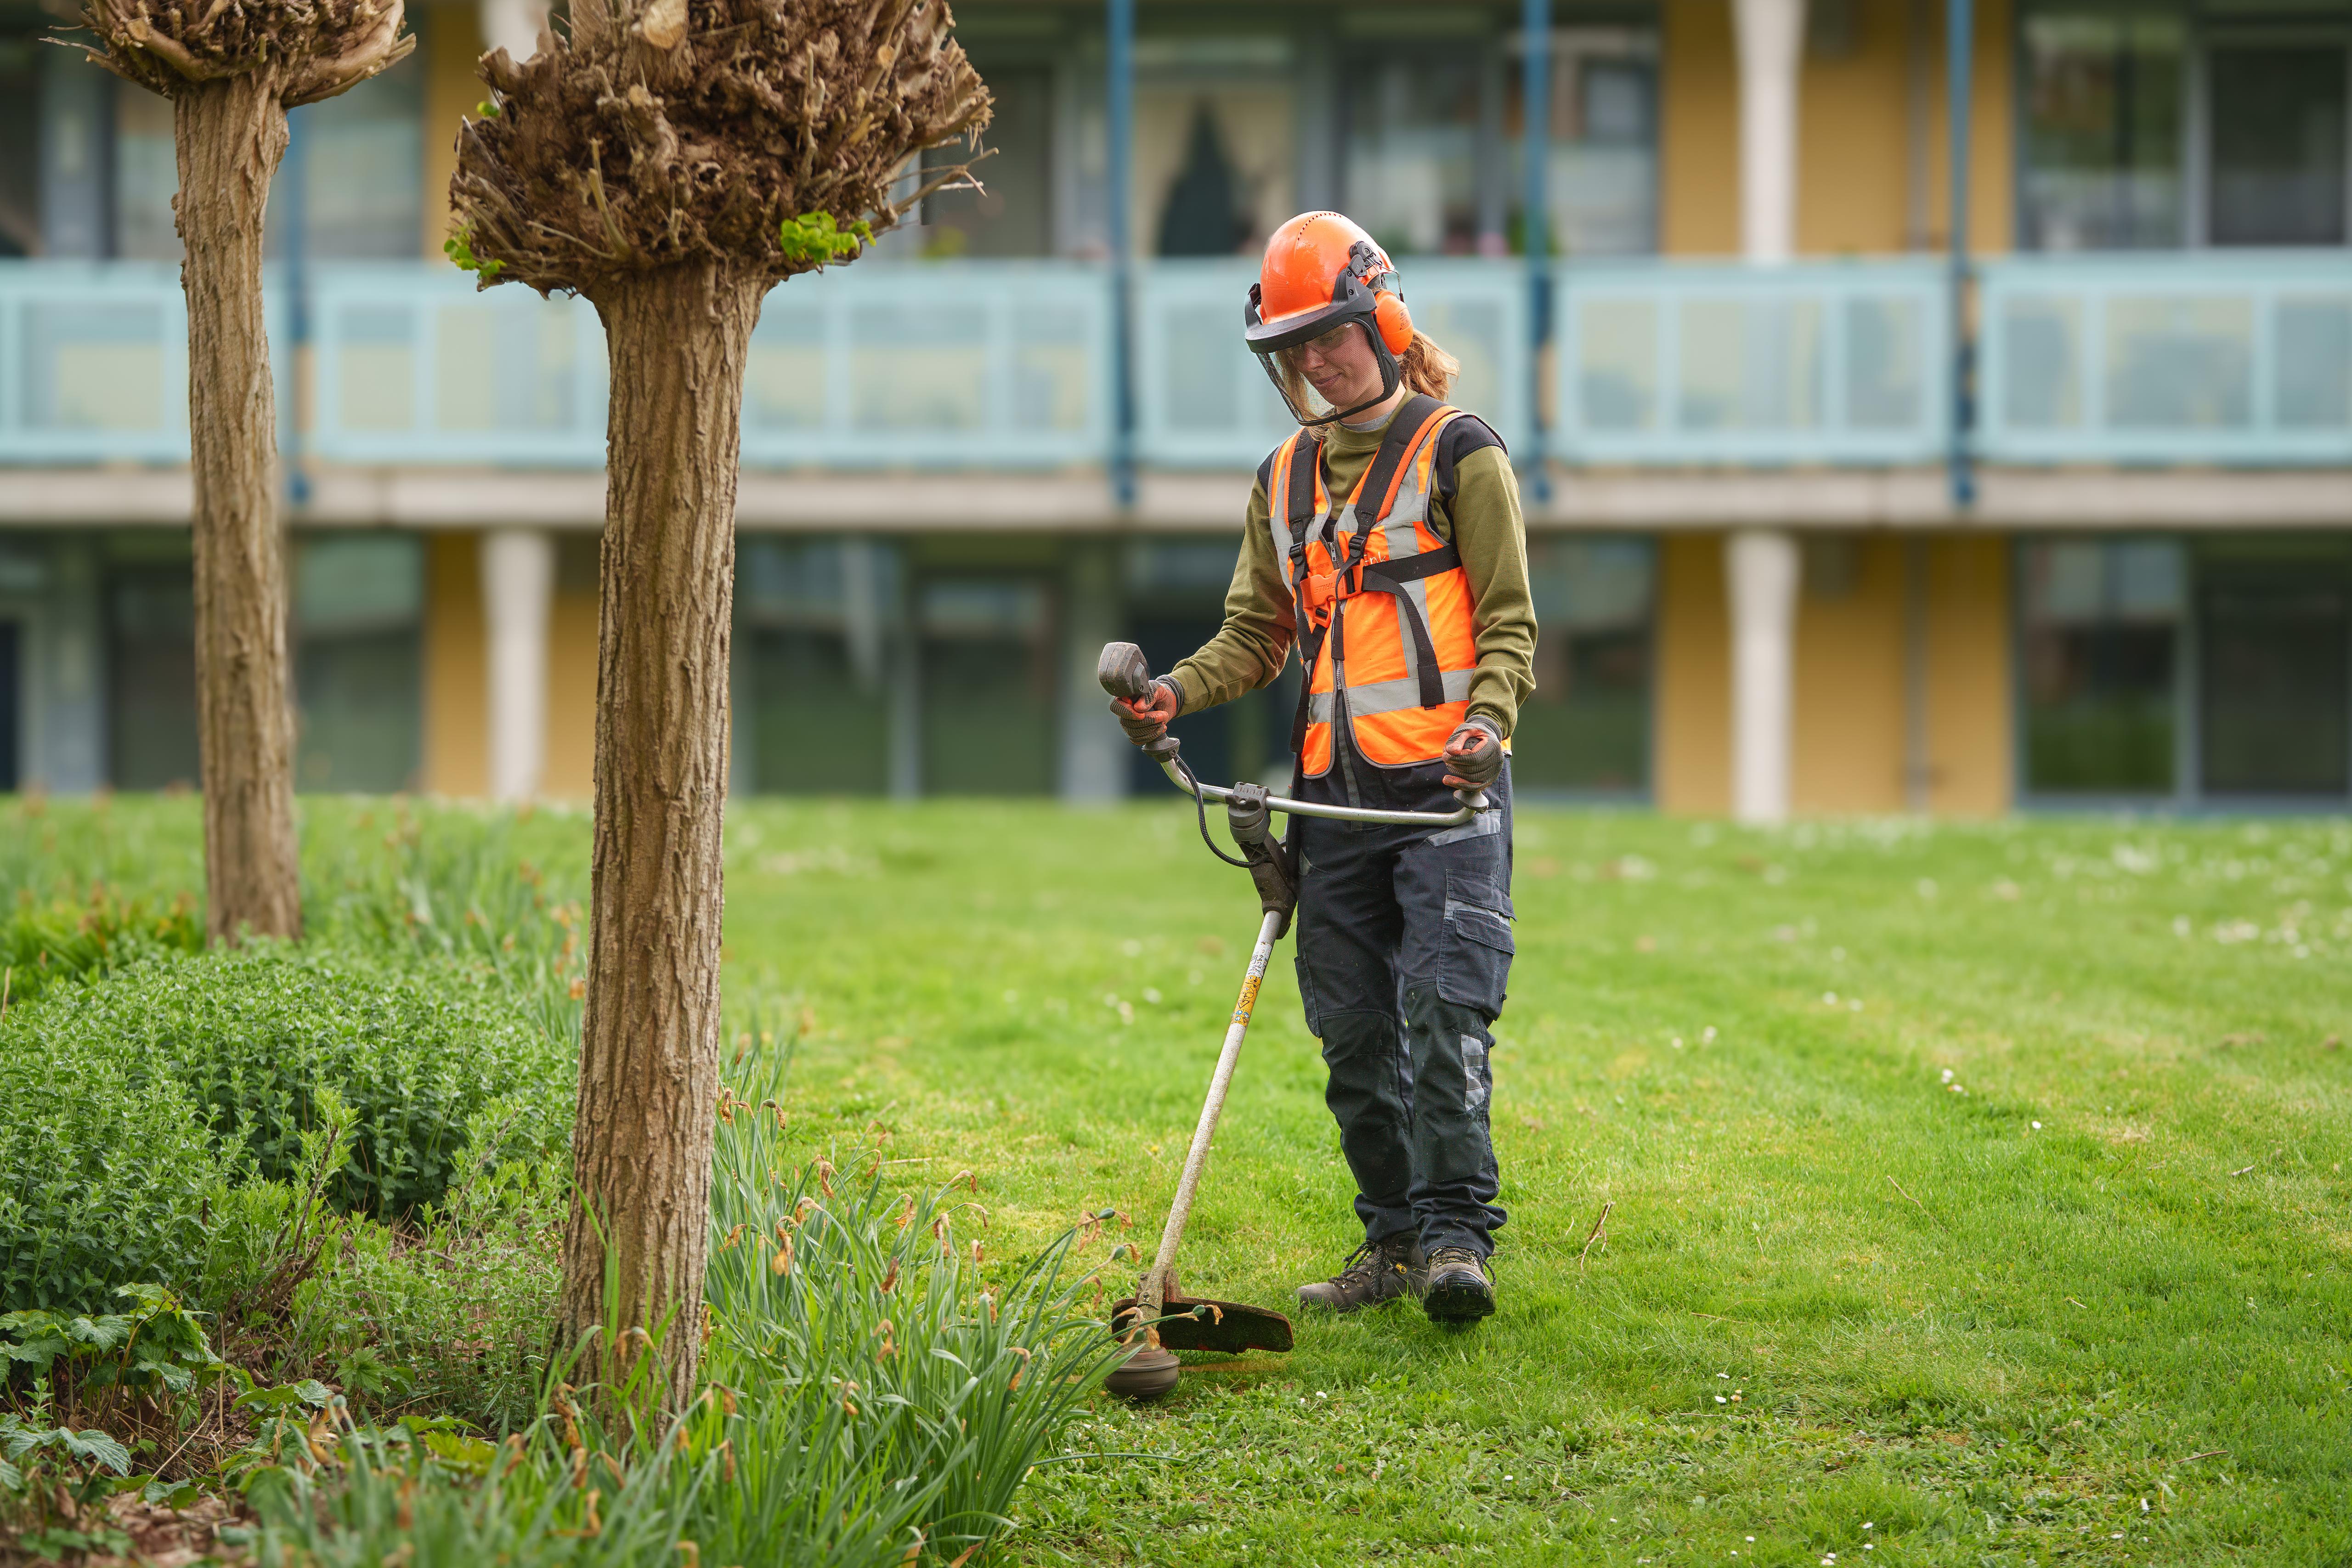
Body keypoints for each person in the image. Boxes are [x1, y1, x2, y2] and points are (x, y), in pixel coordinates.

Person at [1108, 211, 1536, 1322]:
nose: (1313, 360)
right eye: (1292, 345)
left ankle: (1455, 1241)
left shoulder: (1459, 452)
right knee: (1351, 1028)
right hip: (1331, 801)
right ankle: (1391, 1243)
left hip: (1444, 795)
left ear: (1381, 318)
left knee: (1442, 1009)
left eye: (1330, 334)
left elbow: (1509, 624)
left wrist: (1486, 725)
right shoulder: (1283, 480)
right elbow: (1256, 634)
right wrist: (1173, 694)